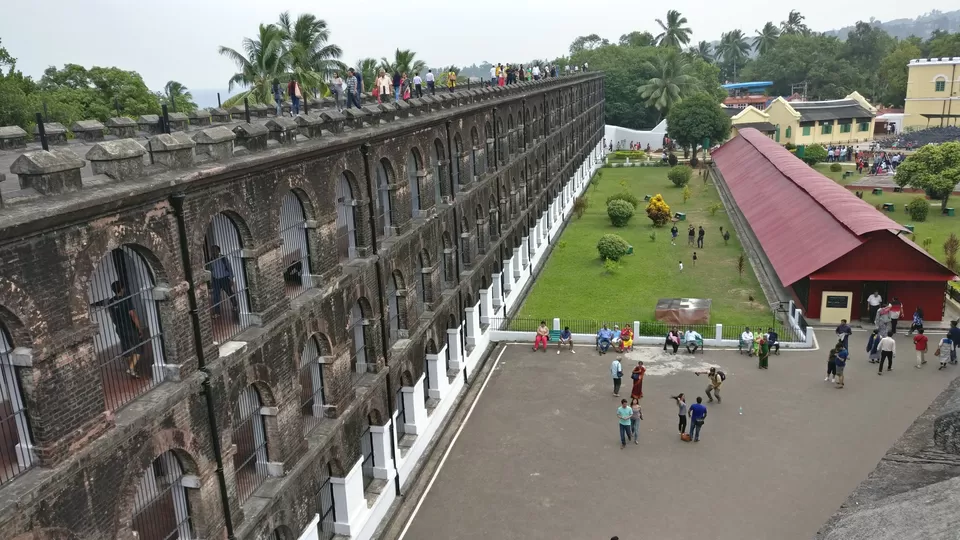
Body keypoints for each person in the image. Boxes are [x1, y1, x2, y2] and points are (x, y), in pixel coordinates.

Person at [90, 281, 144, 378]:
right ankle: (131, 368)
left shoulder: (110, 302)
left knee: (127, 349)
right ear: (122, 289)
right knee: (139, 349)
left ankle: (133, 371)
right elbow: (133, 315)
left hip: (119, 328)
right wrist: (139, 328)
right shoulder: (126, 299)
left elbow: (111, 315)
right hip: (130, 327)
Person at [208, 245, 239, 320]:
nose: (213, 252)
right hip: (216, 280)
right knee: (216, 296)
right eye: (212, 250)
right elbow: (211, 270)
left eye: (215, 250)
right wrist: (211, 281)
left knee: (229, 292)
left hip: (224, 279)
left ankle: (235, 305)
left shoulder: (223, 258)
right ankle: (217, 312)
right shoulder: (211, 260)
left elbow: (229, 267)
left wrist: (231, 278)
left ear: (218, 251)